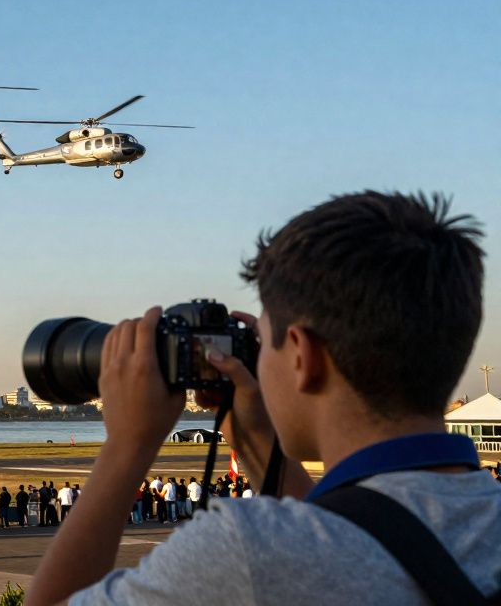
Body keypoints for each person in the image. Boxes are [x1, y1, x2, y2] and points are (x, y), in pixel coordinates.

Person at [28, 191, 501, 605]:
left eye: (264, 342)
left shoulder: (250, 550)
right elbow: (357, 530)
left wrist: (128, 444)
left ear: (302, 356)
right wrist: (253, 436)